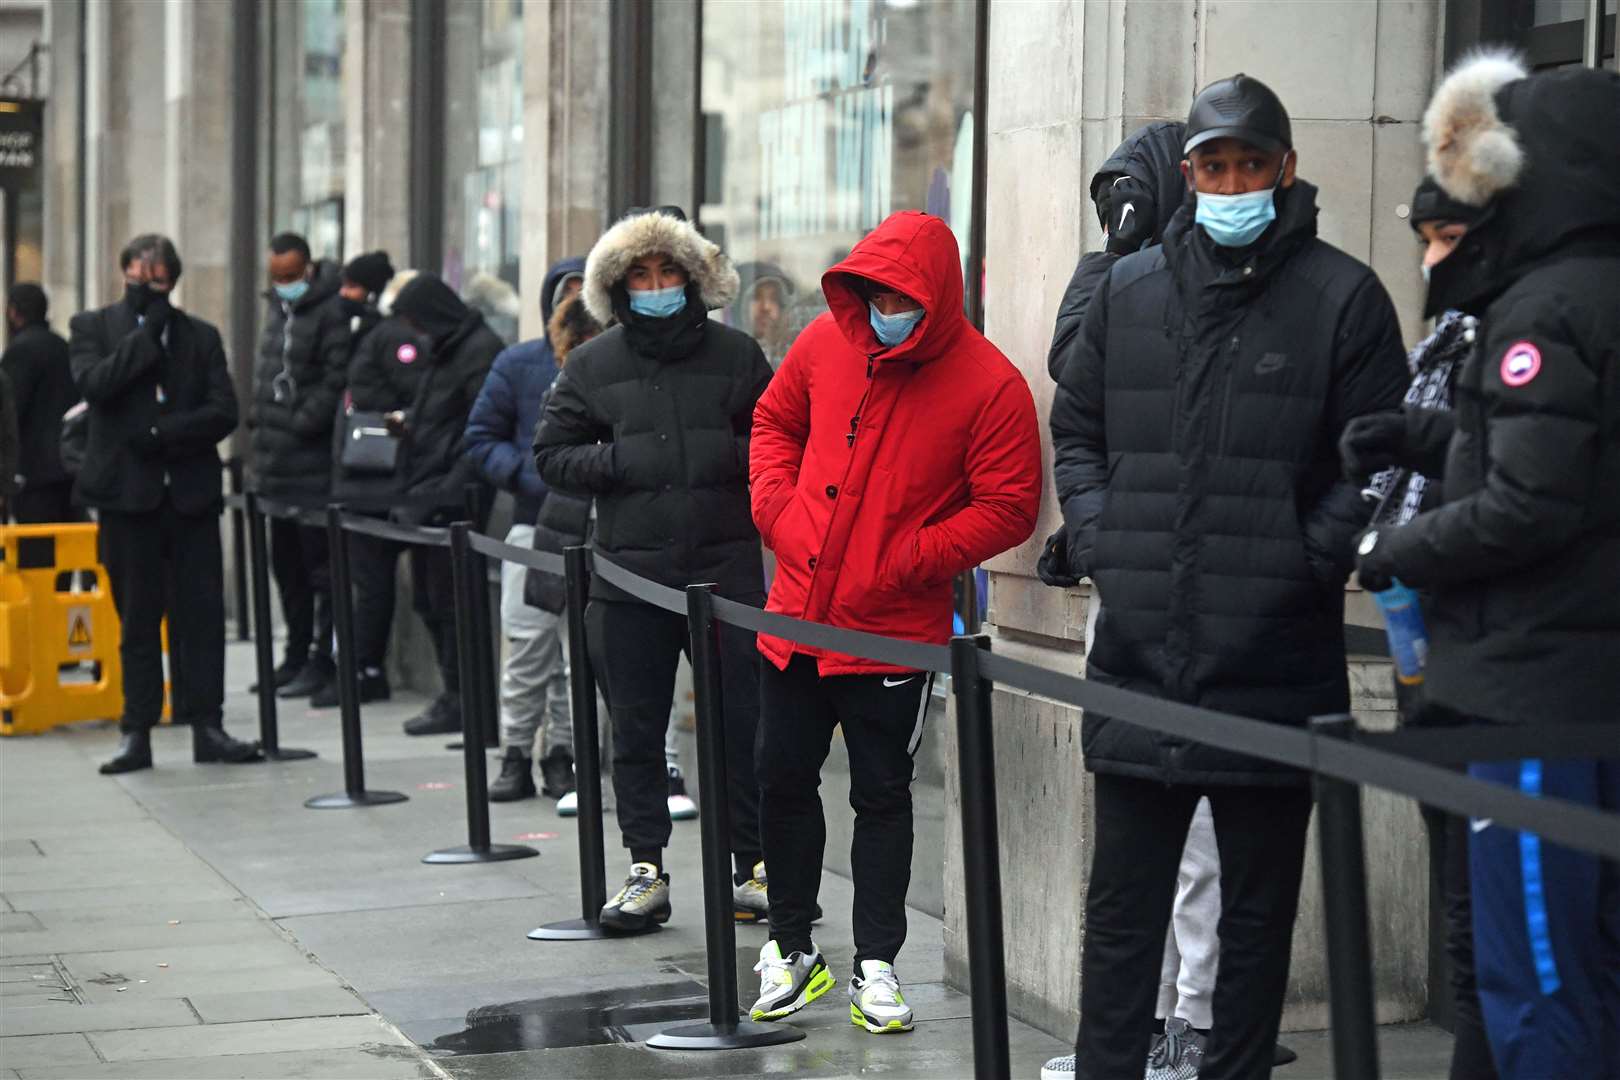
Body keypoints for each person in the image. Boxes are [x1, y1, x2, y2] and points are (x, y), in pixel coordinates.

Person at [1048, 74, 1408, 1079]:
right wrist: (1108, 538)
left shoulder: (1345, 296)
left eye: (1252, 163)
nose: (1234, 181)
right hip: (1139, 652)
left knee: (1256, 926)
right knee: (1119, 924)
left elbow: (1382, 453)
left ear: (1285, 170)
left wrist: (1308, 557)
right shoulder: (1128, 291)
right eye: (1215, 165)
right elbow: (1075, 429)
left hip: (1276, 657)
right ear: (1192, 175)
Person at [1348, 57, 1620, 1080]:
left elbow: (1531, 505)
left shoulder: (1548, 305)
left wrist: (1393, 548)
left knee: (1539, 973)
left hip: (1535, 696)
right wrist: (1420, 441)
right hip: (1581, 685)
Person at [1038, 120, 1299, 1080]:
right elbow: (1078, 388)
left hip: (1232, 592)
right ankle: (1135, 1026)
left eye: (1132, 192)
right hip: (1136, 586)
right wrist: (1103, 538)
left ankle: (1197, 1020)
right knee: (1134, 838)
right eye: (1110, 195)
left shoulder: (1259, 283)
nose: (1120, 208)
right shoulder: (1112, 278)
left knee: (1203, 841)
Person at [747, 209, 1041, 1034]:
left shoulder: (990, 383)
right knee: (780, 779)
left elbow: (1010, 505)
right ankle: (792, 949)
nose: (885, 307)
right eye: (872, 292)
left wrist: (915, 556)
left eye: (901, 295)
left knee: (883, 795)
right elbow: (774, 424)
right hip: (797, 616)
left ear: (937, 295)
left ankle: (876, 963)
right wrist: (779, 512)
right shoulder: (823, 343)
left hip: (889, 633)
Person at [534, 206, 772, 931]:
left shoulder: (737, 355)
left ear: (694, 278)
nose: (658, 284)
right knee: (635, 727)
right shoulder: (594, 363)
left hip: (726, 569)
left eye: (669, 272)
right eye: (642, 274)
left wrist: (719, 461)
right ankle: (645, 868)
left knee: (743, 725)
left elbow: (775, 439)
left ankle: (752, 866)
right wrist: (620, 463)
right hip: (629, 576)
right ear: (619, 286)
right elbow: (552, 453)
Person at [1342, 176, 1493, 1080]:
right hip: (1433, 653)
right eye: (1425, 237)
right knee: (1468, 919)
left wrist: (1403, 539)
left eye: (1448, 236)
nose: (1432, 258)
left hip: (1505, 671)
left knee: (1500, 938)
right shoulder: (1454, 333)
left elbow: (1522, 495)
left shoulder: (1535, 331)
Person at [70, 234, 261, 774]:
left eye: (158, 279)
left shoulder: (200, 337)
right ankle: (138, 730)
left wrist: (164, 432)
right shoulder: (93, 329)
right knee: (136, 620)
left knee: (199, 618)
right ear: (124, 272)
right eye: (138, 276)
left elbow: (223, 410)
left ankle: (207, 723)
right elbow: (96, 386)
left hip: (191, 499)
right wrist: (147, 332)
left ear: (173, 280)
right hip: (128, 501)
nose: (147, 286)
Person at [337, 272, 503, 735]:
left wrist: (449, 489)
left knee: (452, 602)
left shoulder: (477, 349)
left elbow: (476, 430)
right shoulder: (446, 347)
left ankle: (465, 700)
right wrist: (409, 425)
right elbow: (439, 415)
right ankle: (454, 695)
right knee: (432, 600)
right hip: (428, 486)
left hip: (452, 495)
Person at [464, 256, 585, 803]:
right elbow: (481, 436)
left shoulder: (615, 364)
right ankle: (515, 753)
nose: (577, 302)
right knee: (527, 647)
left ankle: (563, 752)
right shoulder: (517, 364)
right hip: (533, 527)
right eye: (568, 291)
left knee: (577, 657)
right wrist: (524, 474)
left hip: (595, 532)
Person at [250, 233, 350, 701]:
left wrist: (299, 422)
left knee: (320, 570)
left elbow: (335, 379)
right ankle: (292, 653)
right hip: (275, 464)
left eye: (292, 276)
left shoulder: (329, 312)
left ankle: (320, 658)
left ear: (308, 268)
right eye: (277, 277)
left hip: (310, 464)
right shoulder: (278, 309)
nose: (285, 284)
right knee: (285, 568)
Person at [3, 283, 80, 523]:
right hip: (68, 468)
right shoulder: (62, 346)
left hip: (34, 474)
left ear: (14, 313)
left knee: (37, 553)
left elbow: (11, 414)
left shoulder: (19, 352)